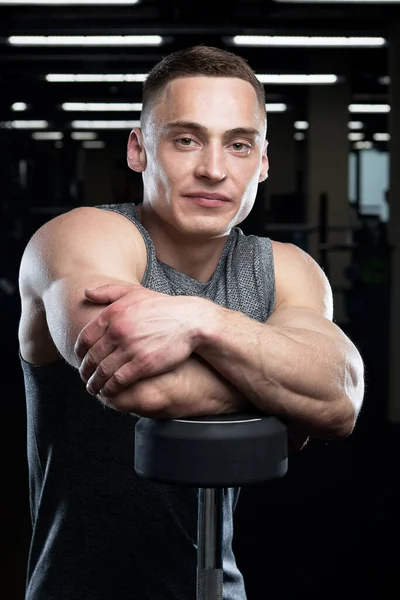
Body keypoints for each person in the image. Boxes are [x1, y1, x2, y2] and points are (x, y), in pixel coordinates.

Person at [18, 45, 365, 600]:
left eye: (238, 144)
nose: (213, 168)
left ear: (264, 161)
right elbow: (145, 385)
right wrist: (280, 392)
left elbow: (339, 397)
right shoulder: (81, 239)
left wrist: (202, 321)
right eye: (186, 139)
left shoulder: (283, 268)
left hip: (218, 588)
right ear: (139, 149)